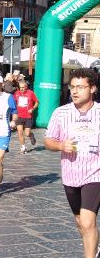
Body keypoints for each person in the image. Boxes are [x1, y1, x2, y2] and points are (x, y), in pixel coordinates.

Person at [44, 68, 100, 258]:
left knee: (86, 220)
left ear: (92, 89)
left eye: (80, 87)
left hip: (95, 172)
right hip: (70, 174)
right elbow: (48, 141)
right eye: (72, 87)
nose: (74, 92)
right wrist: (61, 145)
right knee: (79, 221)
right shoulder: (61, 113)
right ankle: (93, 247)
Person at [14, 80, 39, 154]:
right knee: (20, 132)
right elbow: (14, 102)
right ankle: (23, 147)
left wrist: (33, 109)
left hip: (28, 116)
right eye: (20, 87)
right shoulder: (16, 93)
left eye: (23, 87)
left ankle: (31, 135)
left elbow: (37, 102)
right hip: (19, 115)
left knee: (27, 133)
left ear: (26, 87)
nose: (21, 89)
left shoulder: (30, 93)